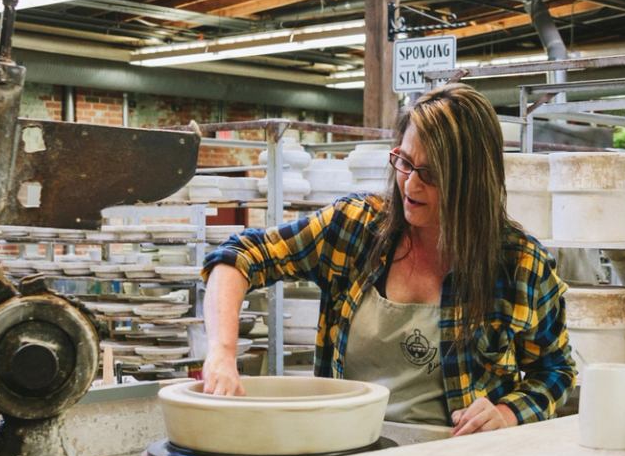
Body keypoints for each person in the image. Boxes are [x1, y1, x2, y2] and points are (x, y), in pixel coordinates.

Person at [200, 83, 576, 434]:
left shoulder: (520, 264)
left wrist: (507, 414)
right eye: (404, 162)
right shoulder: (354, 228)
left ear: (472, 180)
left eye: (430, 174)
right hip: (344, 447)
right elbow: (239, 255)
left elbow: (555, 371)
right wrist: (221, 353)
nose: (411, 184)